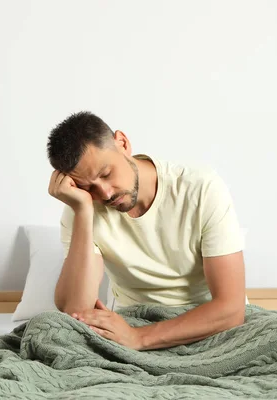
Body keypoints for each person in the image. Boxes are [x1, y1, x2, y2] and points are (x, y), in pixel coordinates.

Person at [47, 111, 246, 351]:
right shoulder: (82, 208)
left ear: (122, 143)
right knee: (45, 332)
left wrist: (139, 338)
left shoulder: (200, 188)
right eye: (88, 187)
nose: (106, 194)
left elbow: (231, 310)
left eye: (106, 174)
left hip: (208, 325)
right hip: (133, 321)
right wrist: (83, 211)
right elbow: (76, 309)